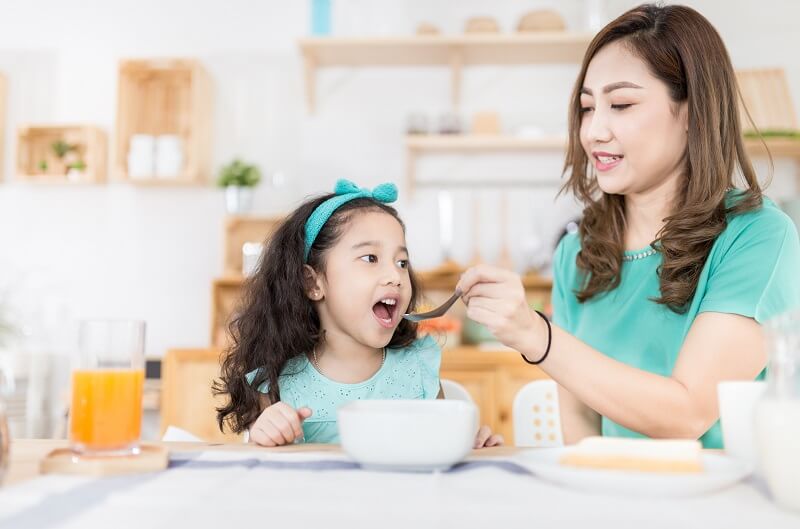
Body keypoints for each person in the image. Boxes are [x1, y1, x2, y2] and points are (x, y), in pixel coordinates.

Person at [456, 3, 800, 448]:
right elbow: (581, 425)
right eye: (586, 107)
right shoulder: (577, 252)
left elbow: (689, 411)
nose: (593, 131)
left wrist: (536, 335)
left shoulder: (756, 236)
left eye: (621, 104)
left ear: (695, 110)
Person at [215, 179, 503, 447]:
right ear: (312, 282)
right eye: (370, 258)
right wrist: (262, 438)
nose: (395, 275)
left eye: (402, 262)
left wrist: (470, 445)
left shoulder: (417, 367)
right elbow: (262, 479)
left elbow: (442, 450)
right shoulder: (277, 381)